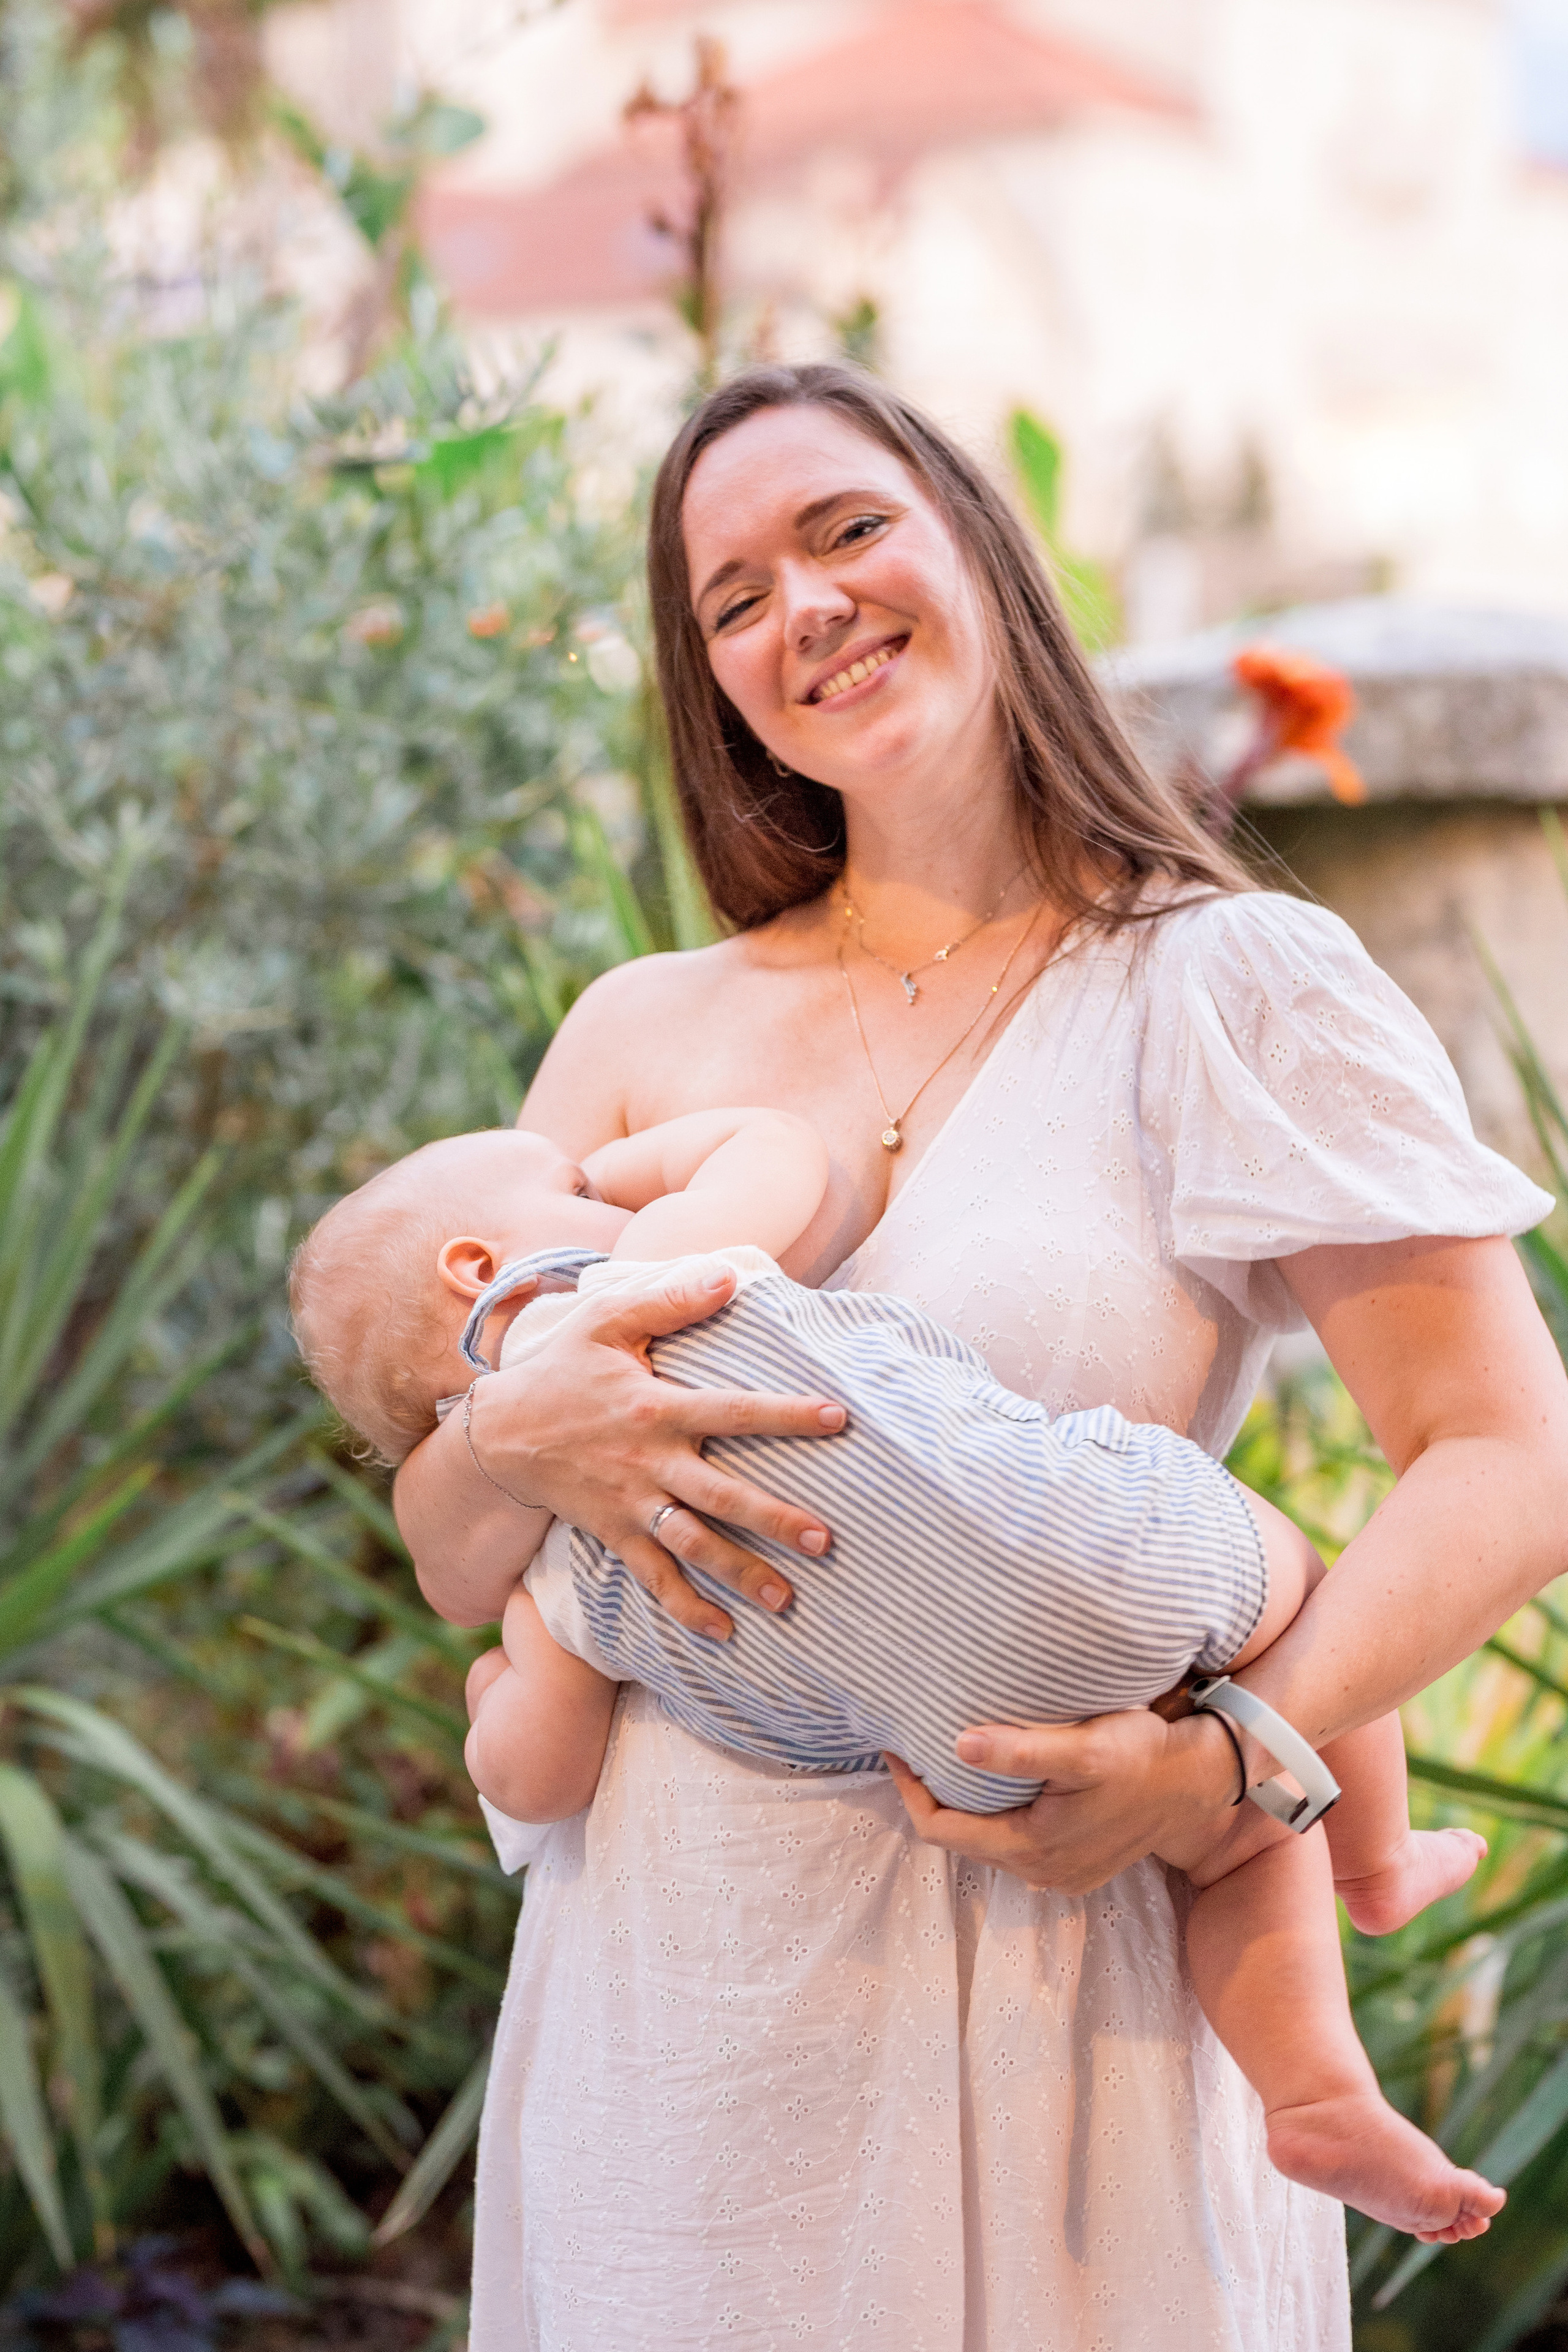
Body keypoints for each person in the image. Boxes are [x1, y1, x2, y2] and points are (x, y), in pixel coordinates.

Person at [393, 363, 1567, 2350]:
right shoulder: (633, 1033)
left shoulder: (1224, 981)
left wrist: (1228, 1758)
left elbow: (1505, 1454)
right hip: (673, 2029)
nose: (807, 608)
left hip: (1062, 2019)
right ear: (713, 682)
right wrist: (530, 1431)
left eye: (848, 530)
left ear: (978, 546)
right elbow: (449, 1553)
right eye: (735, 594)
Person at [293, 1111, 1501, 2238]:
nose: (591, 1186)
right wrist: (625, 1176)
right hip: (1092, 1557)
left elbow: (535, 1775)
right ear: (478, 1266)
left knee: (1230, 1849)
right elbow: (778, 1154)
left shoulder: (552, 1561)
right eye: (564, 1186)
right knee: (1304, 1586)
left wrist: (487, 1702)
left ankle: (1312, 2104)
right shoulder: (625, 1282)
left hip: (965, 1752)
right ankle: (1377, 1863)